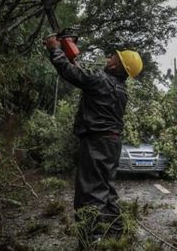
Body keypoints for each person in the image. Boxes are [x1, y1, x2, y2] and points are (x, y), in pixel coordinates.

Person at [44, 35, 143, 244]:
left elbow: (71, 74)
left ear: (118, 66)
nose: (109, 58)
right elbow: (83, 77)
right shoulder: (121, 90)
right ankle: (116, 238)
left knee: (89, 194)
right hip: (112, 143)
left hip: (96, 143)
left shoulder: (100, 80)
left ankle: (90, 242)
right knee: (106, 191)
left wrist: (55, 49)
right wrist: (70, 54)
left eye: (113, 57)